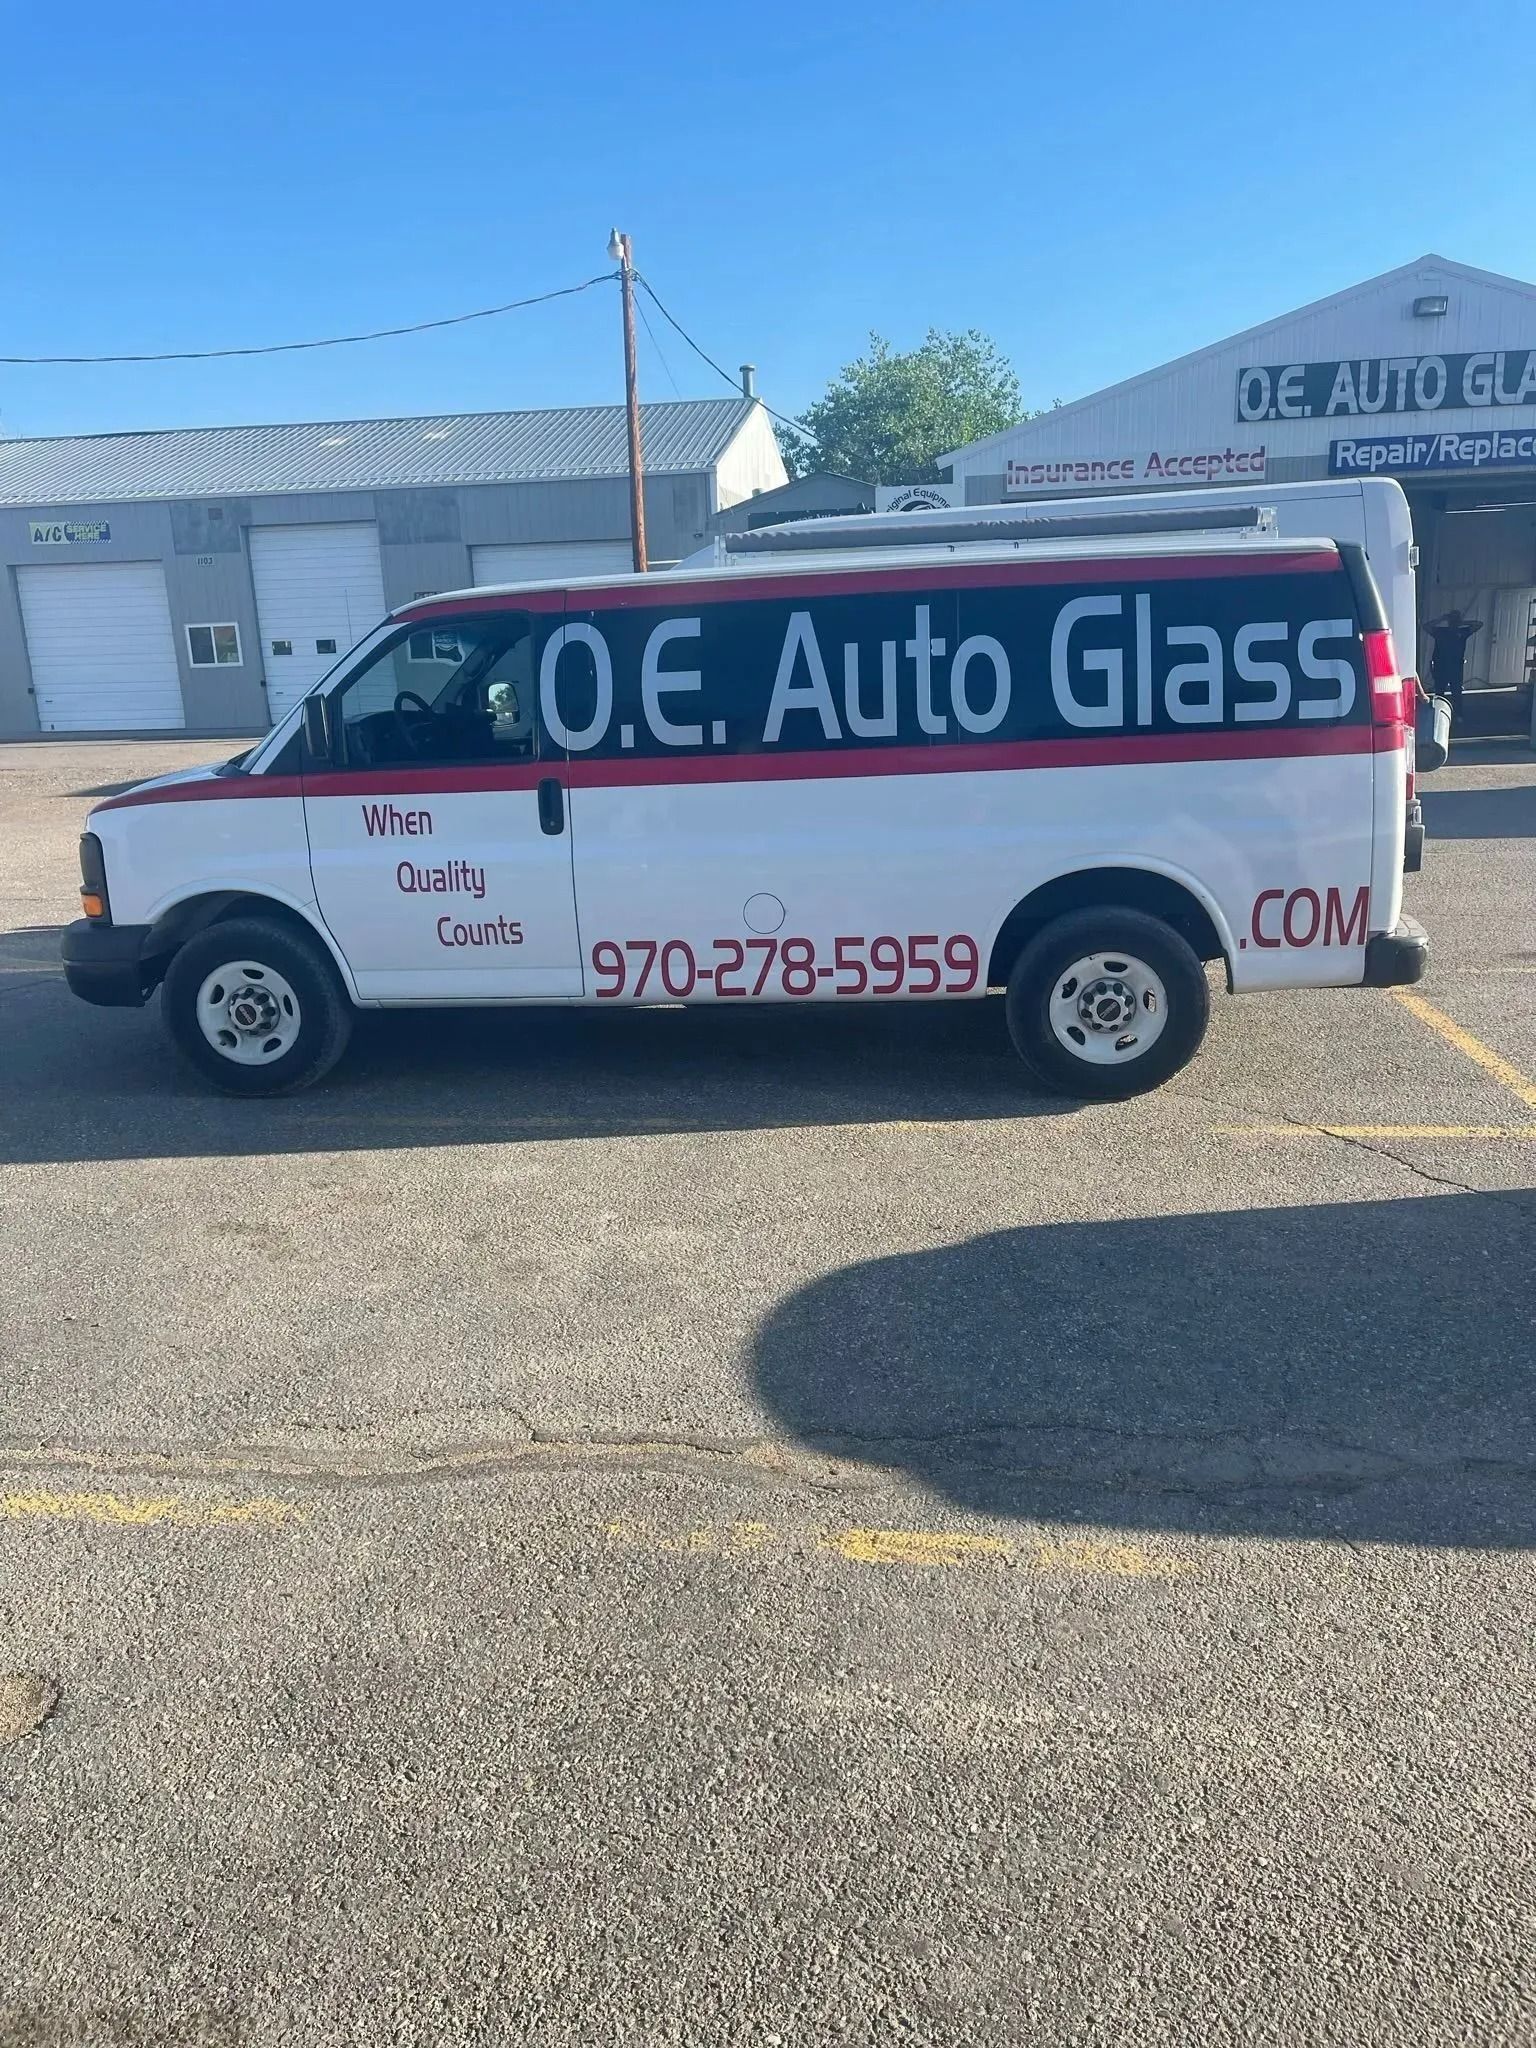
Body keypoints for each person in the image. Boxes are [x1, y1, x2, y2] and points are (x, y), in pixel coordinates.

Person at [1423, 608, 1482, 705]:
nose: (1453, 622)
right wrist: (1441, 619)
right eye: (1452, 619)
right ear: (1448, 621)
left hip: (1456, 666)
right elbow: (1426, 626)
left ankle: (1458, 715)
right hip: (1441, 665)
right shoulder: (1441, 632)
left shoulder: (1462, 631)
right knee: (1440, 691)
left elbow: (1479, 624)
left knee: (1456, 692)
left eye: (1455, 619)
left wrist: (1462, 623)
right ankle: (1439, 711)